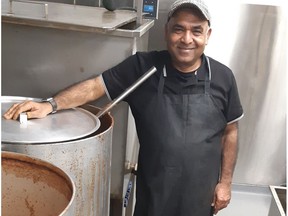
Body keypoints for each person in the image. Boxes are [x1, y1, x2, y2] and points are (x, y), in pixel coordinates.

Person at [4, 0, 243, 215]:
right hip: (154, 195)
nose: (187, 39)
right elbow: (94, 88)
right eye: (179, 29)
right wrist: (50, 105)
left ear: (208, 35)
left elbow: (231, 131)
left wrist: (226, 183)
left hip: (200, 196)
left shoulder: (223, 77)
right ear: (167, 31)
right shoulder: (143, 68)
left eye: (196, 31)